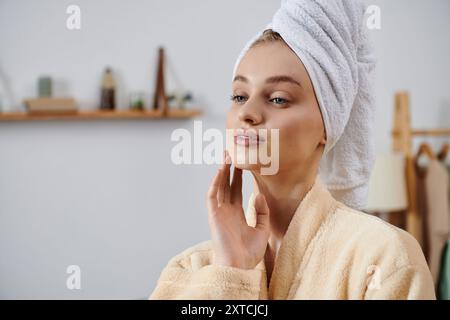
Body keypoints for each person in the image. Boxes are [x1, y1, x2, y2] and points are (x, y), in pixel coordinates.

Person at [149, 0, 435, 299]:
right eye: (239, 95)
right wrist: (232, 270)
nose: (247, 113)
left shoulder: (384, 260)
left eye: (278, 99)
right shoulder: (190, 269)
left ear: (327, 124)